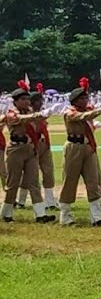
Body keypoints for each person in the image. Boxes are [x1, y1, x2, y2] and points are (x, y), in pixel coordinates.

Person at [58, 78, 101, 227]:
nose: (86, 100)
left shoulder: (88, 110)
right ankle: (65, 215)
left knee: (93, 180)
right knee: (70, 180)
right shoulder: (69, 112)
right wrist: (100, 110)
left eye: (86, 97)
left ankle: (97, 216)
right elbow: (82, 117)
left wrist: (94, 125)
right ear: (75, 100)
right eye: (82, 98)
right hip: (74, 146)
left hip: (88, 147)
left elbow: (88, 120)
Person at [1, 85, 52, 223]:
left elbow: (39, 125)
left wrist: (45, 115)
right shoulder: (11, 114)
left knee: (34, 182)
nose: (26, 102)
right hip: (16, 149)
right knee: (13, 183)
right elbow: (22, 119)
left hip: (30, 148)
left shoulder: (30, 112)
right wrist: (37, 116)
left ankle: (40, 214)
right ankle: (7, 213)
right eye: (23, 99)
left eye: (27, 99)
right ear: (15, 101)